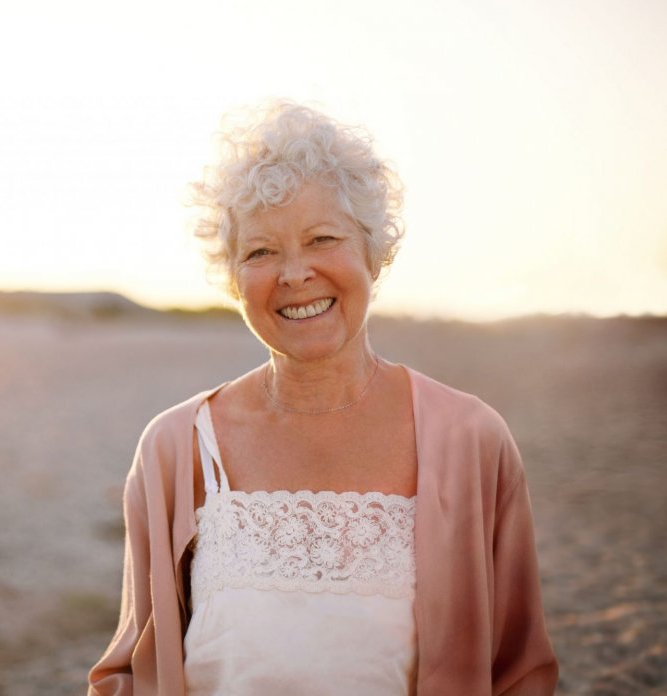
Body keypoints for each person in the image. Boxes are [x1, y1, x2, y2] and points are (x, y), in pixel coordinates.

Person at [87, 101, 558, 695]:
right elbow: (131, 678)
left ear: (372, 252)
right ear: (232, 277)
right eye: (260, 252)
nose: (294, 274)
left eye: (322, 238)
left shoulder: (472, 438)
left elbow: (519, 675)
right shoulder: (174, 449)